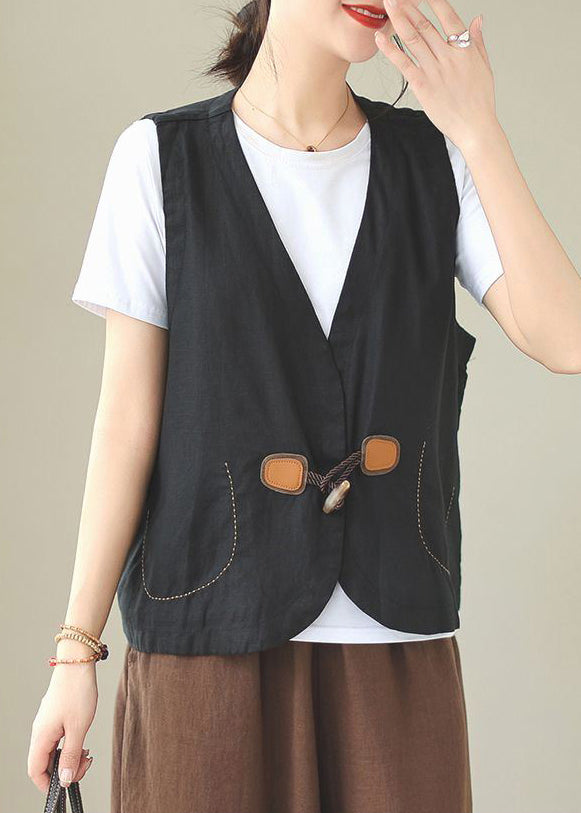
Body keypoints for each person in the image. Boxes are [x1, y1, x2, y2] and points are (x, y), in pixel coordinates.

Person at [27, 1, 581, 812]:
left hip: (394, 643)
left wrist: (478, 128)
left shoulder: (435, 158)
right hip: (206, 644)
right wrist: (76, 653)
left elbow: (565, 338)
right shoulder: (160, 159)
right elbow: (126, 423)